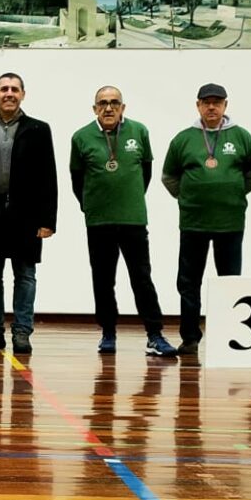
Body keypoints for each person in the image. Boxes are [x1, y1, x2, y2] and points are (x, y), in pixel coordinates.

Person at [70, 86, 175, 357]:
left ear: (123, 108)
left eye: (114, 103)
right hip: (99, 222)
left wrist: (129, 200)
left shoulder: (139, 132)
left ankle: (155, 334)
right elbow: (77, 180)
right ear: (94, 109)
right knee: (103, 281)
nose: (108, 108)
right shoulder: (81, 137)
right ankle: (108, 333)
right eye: (102, 103)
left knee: (141, 278)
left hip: (133, 220)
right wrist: (92, 206)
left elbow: (146, 173)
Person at [160, 83, 251, 356]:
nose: (211, 107)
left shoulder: (242, 137)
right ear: (198, 105)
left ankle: (229, 337)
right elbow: (169, 177)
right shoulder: (183, 139)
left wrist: (231, 192)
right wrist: (190, 197)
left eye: (217, 102)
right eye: (206, 102)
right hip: (193, 223)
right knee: (189, 283)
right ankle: (190, 338)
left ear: (226, 105)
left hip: (230, 222)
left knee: (229, 282)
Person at [0, 73, 56, 355]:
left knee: (25, 275)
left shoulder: (39, 129)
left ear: (23, 95)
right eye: (4, 88)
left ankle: (21, 332)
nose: (9, 93)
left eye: (15, 89)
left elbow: (48, 177)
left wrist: (47, 220)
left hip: (25, 216)